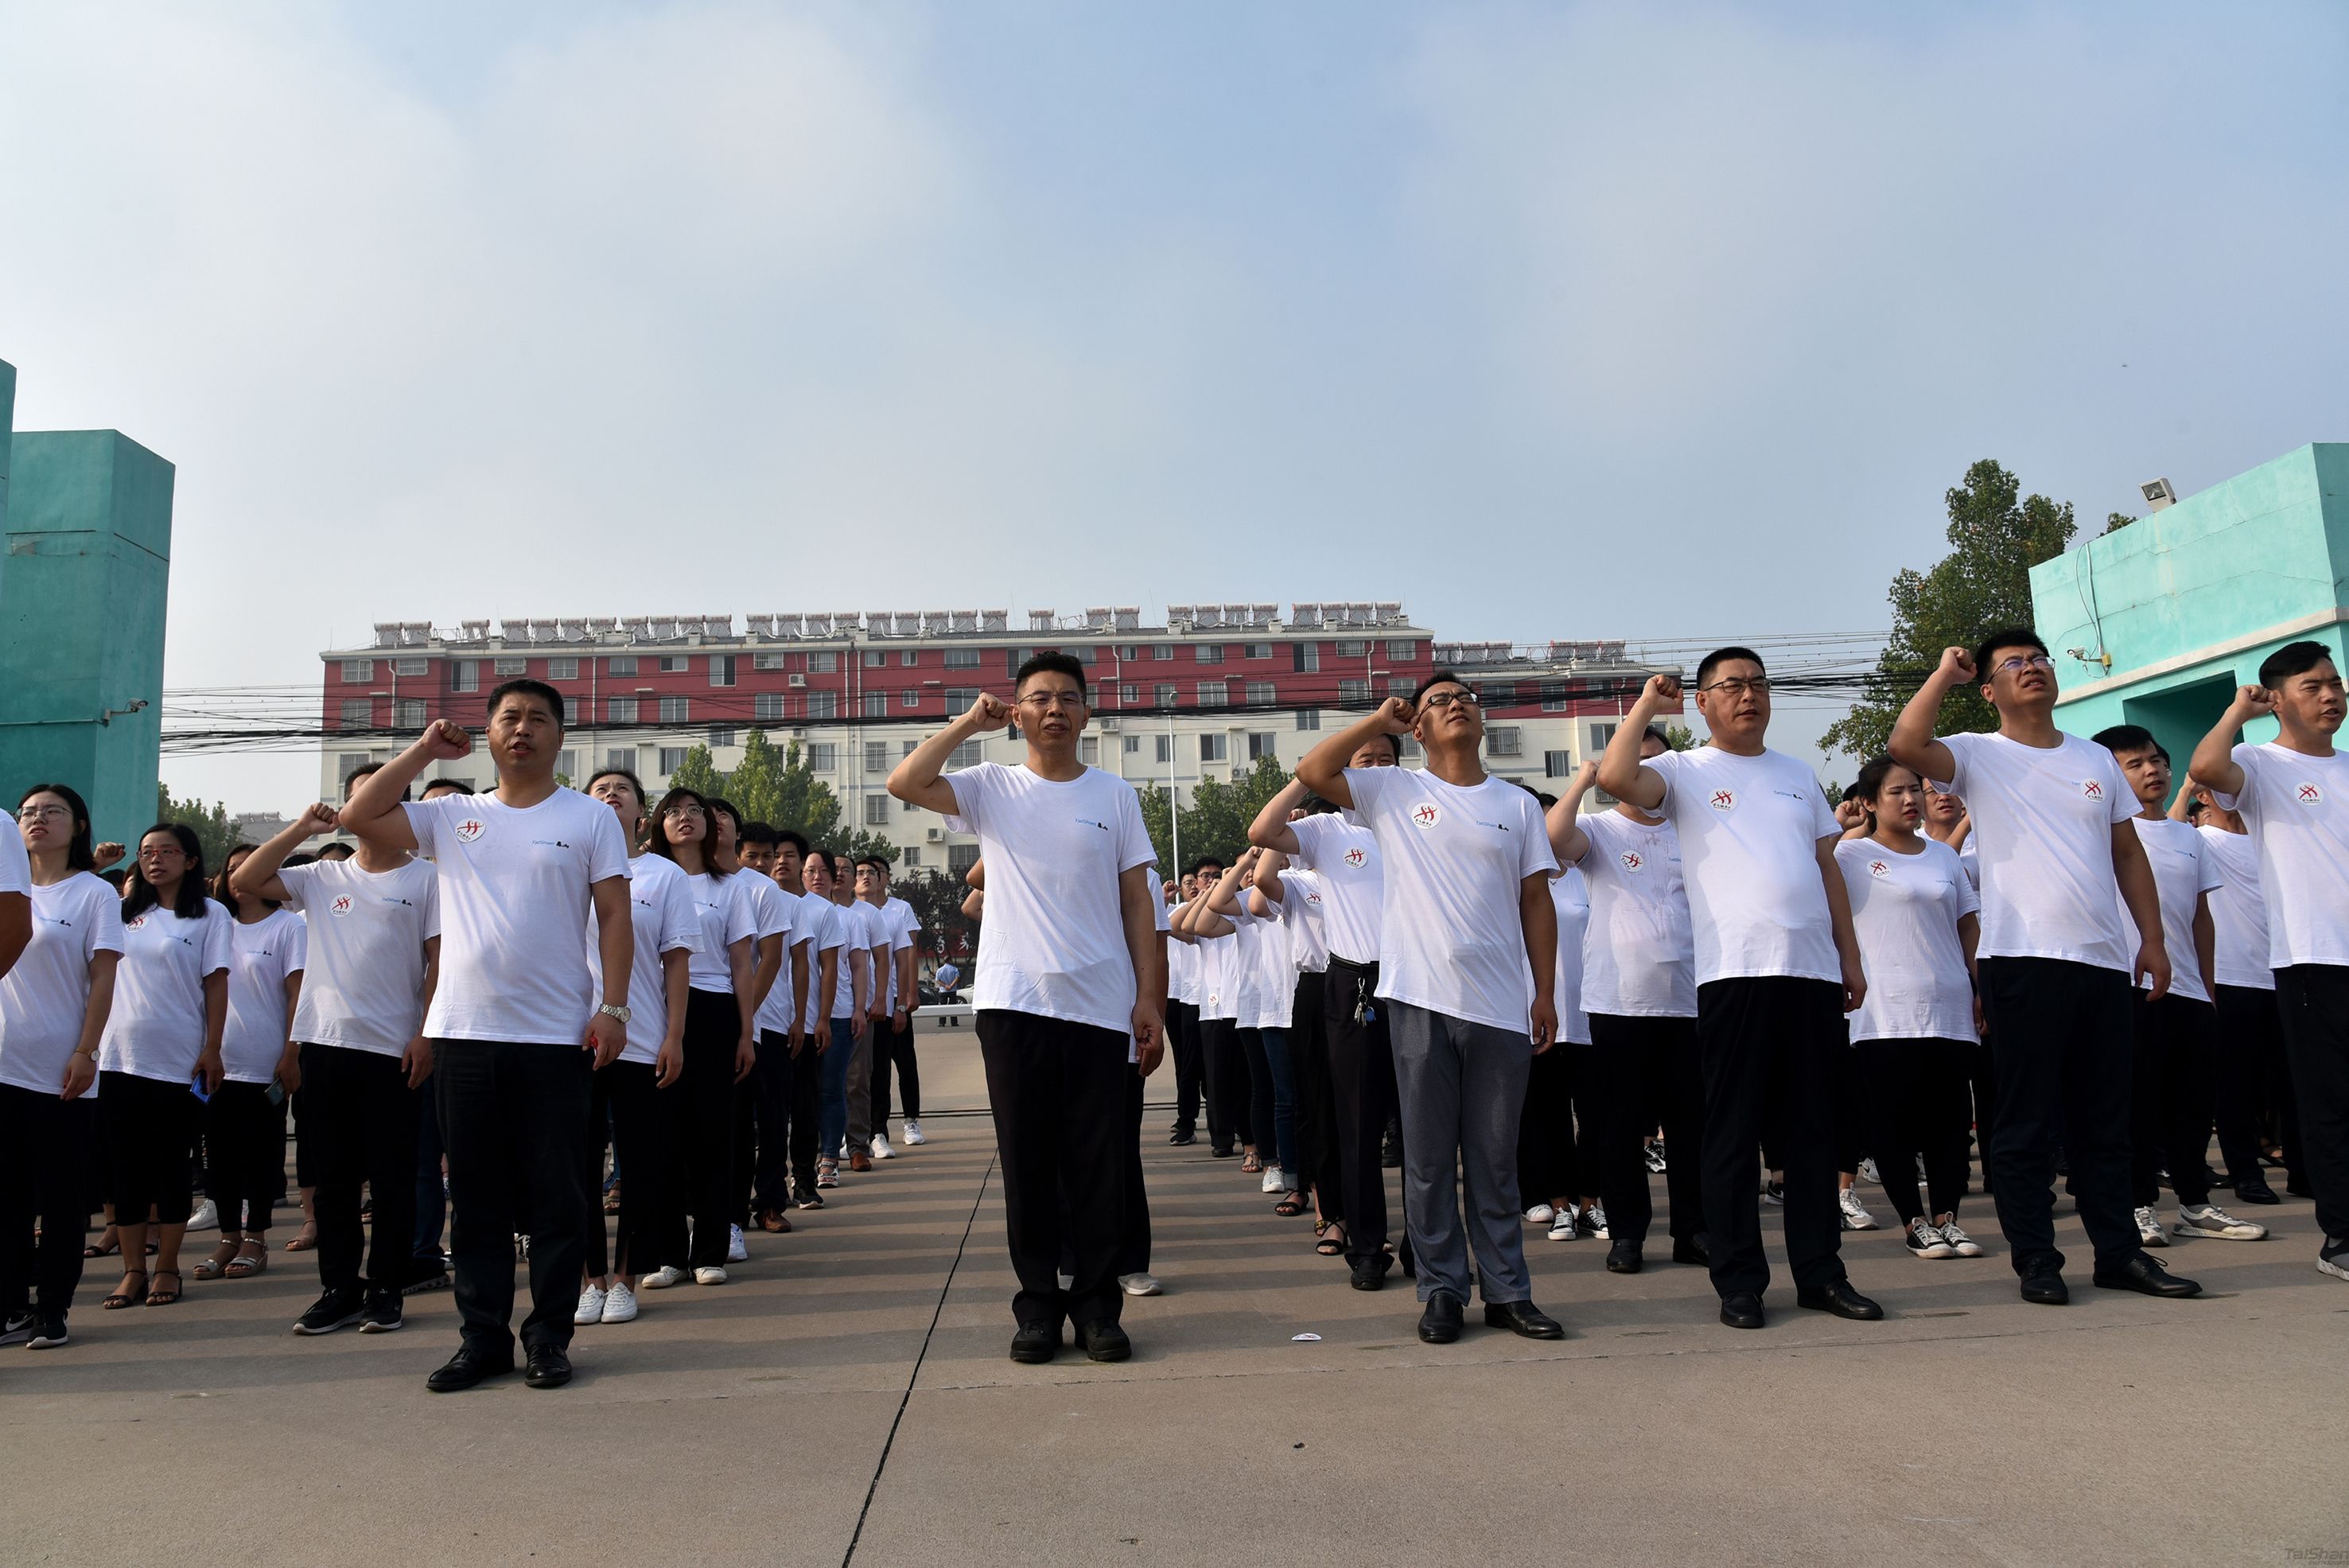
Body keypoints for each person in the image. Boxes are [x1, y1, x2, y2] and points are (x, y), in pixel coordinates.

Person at [340, 682, 632, 1392]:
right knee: (475, 1200)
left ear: (560, 736)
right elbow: (358, 813)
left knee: (558, 1196)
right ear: (491, 735)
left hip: (557, 1036)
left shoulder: (589, 817)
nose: (522, 729)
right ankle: (482, 1339)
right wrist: (423, 750)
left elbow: (614, 918)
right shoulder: (453, 816)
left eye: (537, 718)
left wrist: (614, 1008)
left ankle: (549, 1336)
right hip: (464, 1033)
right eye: (509, 718)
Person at [1891, 631, 2198, 1304]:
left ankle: (2118, 1254)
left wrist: (2151, 938)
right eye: (2013, 664)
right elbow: (1906, 744)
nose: (2030, 669)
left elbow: (2126, 853)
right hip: (2021, 960)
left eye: (2037, 659)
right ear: (1989, 689)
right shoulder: (1977, 753)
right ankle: (2036, 1258)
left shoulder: (2095, 759)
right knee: (2025, 1123)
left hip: (2102, 962)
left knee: (2105, 1122)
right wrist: (1942, 674)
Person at [888, 652, 1160, 1364]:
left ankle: (1097, 1308)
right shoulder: (992, 786)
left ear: (1086, 713)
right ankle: (1037, 1306)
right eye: (1039, 698)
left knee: (1098, 1165)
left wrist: (1148, 997)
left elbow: (1138, 902)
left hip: (1100, 1004)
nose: (1054, 709)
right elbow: (905, 781)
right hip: (1013, 1004)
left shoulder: (1114, 796)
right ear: (1018, 713)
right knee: (1026, 1164)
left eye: (1068, 697)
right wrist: (965, 724)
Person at [1600, 651, 1880, 1329]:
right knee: (1731, 1134)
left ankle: (1820, 1273)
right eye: (1730, 686)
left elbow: (1826, 867)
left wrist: (1848, 955)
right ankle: (1739, 1281)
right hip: (1734, 974)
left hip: (1810, 973)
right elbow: (1613, 776)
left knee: (1811, 1132)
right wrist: (1646, 704)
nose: (1747, 695)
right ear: (1702, 703)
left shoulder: (1796, 774)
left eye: (1756, 683)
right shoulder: (1684, 769)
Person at [1297, 675, 1565, 1345]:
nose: (1456, 704)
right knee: (1426, 1160)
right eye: (1439, 700)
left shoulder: (1516, 803)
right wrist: (1375, 720)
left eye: (1465, 697)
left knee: (1494, 1159)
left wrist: (1544, 991)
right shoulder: (1393, 790)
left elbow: (1536, 900)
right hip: (1417, 999)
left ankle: (1507, 1291)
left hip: (1499, 1005)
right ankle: (1442, 1289)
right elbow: (1312, 771)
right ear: (1416, 728)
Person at [233, 791, 442, 1336]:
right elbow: (247, 880)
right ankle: (339, 1289)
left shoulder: (426, 879)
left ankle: (386, 1288)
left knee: (392, 1180)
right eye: (357, 802)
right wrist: (302, 827)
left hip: (394, 1050)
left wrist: (425, 1035)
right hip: (324, 1045)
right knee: (333, 1182)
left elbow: (439, 963)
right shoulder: (321, 877)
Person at [2187, 640, 2349, 1282]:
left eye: (2335, 682)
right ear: (2277, 698)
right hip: (2312, 957)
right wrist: (2238, 712)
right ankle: (2339, 1237)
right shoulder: (2258, 762)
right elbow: (2204, 766)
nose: (2330, 695)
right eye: (2312, 686)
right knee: (2329, 1102)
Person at [2096, 726, 2268, 1247]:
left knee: (2192, 1106)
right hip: (2130, 986)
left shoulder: (2190, 837)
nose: (2151, 770)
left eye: (2155, 760)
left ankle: (2194, 1204)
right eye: (2134, 764)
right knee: (2138, 1106)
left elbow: (2200, 918)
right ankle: (2137, 1204)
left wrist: (2208, 988)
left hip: (2190, 990)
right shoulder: (2104, 835)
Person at [1547, 747, 1709, 1274]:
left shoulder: (1692, 830)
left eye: (1656, 765)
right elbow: (1553, 838)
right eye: (1635, 766)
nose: (1645, 776)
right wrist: (1583, 780)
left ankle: (1693, 1231)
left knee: (1689, 1126)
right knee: (1618, 1127)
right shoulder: (1599, 829)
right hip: (1619, 1001)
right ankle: (1627, 1234)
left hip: (1690, 999)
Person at [1250, 733, 1400, 1287]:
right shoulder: (1326, 829)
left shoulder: (1417, 820)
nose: (1376, 769)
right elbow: (1263, 833)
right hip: (1352, 983)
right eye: (1364, 761)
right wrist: (1308, 778)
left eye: (1386, 759)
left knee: (1423, 1127)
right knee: (1356, 1124)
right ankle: (1367, 1245)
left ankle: (1431, 1246)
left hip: (1419, 982)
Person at [1832, 757, 1986, 1261]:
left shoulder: (1944, 857)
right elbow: (1812, 870)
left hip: (1949, 1006)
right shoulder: (1850, 855)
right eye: (1896, 791)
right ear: (1870, 802)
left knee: (1950, 1125)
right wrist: (1841, 825)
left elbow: (1968, 925)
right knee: (1892, 1124)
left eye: (1915, 790)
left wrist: (1981, 985)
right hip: (1883, 1011)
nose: (1910, 799)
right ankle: (1914, 1222)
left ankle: (1948, 1218)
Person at [0, 786, 123, 1348]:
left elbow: (103, 976)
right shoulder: (7, 889)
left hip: (58, 1067)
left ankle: (52, 1307)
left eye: (53, 811)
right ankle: (10, 1306)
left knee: (60, 1198)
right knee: (7, 1198)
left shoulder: (93, 893)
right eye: (28, 812)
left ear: (79, 826)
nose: (38, 820)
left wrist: (86, 1051)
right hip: (3, 1062)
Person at [575, 768, 697, 1321]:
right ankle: (590, 1278)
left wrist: (674, 1035)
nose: (611, 795)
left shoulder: (663, 876)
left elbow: (676, 962)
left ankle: (625, 1278)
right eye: (600, 790)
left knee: (641, 1163)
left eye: (621, 790)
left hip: (641, 1039)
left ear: (641, 814)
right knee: (577, 1165)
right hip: (569, 1038)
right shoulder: (567, 869)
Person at [95, 823, 231, 1313]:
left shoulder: (210, 915)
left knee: (170, 1167)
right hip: (116, 1058)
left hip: (178, 1060)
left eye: (167, 851)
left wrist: (213, 1047)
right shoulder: (120, 912)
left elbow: (216, 984)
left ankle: (168, 1267)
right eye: (147, 851)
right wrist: (97, 865)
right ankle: (133, 1270)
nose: (155, 859)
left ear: (191, 861)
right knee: (125, 1169)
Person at [643, 788, 756, 1286]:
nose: (684, 818)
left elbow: (741, 964)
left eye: (695, 811)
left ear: (711, 825)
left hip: (712, 1009)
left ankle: (709, 1250)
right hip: (653, 1008)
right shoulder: (643, 877)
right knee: (661, 1133)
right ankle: (668, 1253)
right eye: (673, 811)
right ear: (659, 824)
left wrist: (746, 1031)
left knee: (712, 1131)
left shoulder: (730, 887)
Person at [2176, 783, 2293, 1204]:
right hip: (2232, 974)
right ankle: (2246, 1173)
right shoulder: (2201, 838)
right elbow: (2161, 837)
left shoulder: (2268, 835)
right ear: (2205, 797)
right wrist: (2186, 788)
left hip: (2284, 968)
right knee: (2237, 1084)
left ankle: (2306, 1170)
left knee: (2293, 1082)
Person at [196, 846, 305, 1283]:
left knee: (261, 1155)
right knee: (219, 1157)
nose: (239, 876)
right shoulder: (213, 925)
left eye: (248, 868)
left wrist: (291, 1052)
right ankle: (227, 1237)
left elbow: (298, 994)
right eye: (232, 869)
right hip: (215, 1062)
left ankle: (256, 1238)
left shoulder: (288, 926)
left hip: (265, 1063)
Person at [737, 823, 810, 1233]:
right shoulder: (726, 892)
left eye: (769, 855)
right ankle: (731, 1206)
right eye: (753, 855)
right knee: (734, 1121)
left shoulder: (789, 903)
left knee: (774, 1115)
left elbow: (798, 963)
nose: (763, 863)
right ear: (738, 855)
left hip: (775, 1022)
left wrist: (799, 1017)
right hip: (732, 1023)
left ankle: (770, 1202)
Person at [802, 849, 865, 1190]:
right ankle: (804, 1160)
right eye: (810, 871)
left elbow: (858, 967)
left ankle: (828, 1157)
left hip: (839, 1015)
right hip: (796, 1018)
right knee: (802, 1094)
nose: (817, 877)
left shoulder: (848, 918)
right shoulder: (791, 910)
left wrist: (859, 1008)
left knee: (831, 1089)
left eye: (823, 871)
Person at [857, 857, 925, 1151]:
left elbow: (907, 955)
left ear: (884, 877)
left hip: (892, 1001)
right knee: (863, 1073)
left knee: (902, 1063)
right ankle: (862, 1132)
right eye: (860, 872)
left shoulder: (898, 911)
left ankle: (909, 1121)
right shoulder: (846, 912)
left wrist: (907, 998)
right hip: (859, 1005)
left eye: (874, 872)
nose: (867, 877)